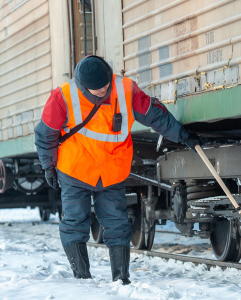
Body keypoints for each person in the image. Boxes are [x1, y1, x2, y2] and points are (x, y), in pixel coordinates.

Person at [34, 55, 200, 285]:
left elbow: (155, 116)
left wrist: (184, 136)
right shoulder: (62, 96)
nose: (103, 90)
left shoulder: (125, 88)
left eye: (105, 85)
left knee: (118, 223)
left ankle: (121, 278)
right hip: (75, 170)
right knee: (74, 222)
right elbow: (45, 135)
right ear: (83, 86)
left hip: (112, 170)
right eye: (96, 88)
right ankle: (82, 278)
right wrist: (48, 166)